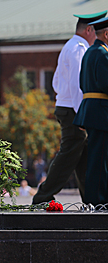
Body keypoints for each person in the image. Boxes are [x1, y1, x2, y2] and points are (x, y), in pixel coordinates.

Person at [32, 11, 106, 205]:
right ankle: (43, 196)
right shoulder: (79, 48)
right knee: (69, 155)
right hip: (74, 110)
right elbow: (77, 85)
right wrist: (82, 116)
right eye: (95, 30)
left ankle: (91, 199)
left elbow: (57, 82)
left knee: (82, 158)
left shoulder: (70, 46)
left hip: (67, 106)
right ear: (89, 30)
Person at [74, 16, 108, 206]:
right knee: (100, 159)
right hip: (101, 112)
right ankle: (99, 201)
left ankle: (96, 199)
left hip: (93, 111)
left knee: (98, 158)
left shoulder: (90, 52)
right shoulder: (102, 54)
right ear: (107, 34)